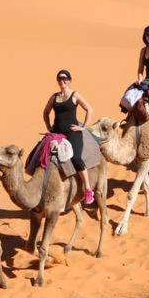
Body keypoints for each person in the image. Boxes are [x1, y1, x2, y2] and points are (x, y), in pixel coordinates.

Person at [43, 69, 95, 205]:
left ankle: (88, 189)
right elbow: (45, 112)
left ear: (69, 80)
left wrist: (83, 126)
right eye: (60, 79)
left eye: (65, 79)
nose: (62, 81)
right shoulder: (54, 97)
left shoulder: (74, 95)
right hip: (57, 132)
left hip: (72, 132)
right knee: (41, 153)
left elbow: (89, 109)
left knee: (76, 157)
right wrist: (49, 127)